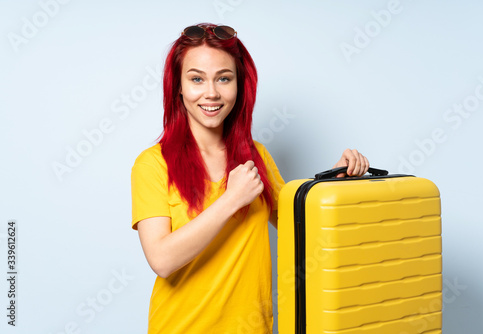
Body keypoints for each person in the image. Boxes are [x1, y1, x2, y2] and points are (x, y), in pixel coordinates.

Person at [131, 23, 369, 334]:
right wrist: (231, 200)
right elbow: (161, 259)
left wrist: (330, 184)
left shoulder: (256, 156)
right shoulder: (152, 164)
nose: (212, 92)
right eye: (197, 79)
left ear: (240, 85)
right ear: (178, 85)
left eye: (224, 79)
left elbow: (299, 227)